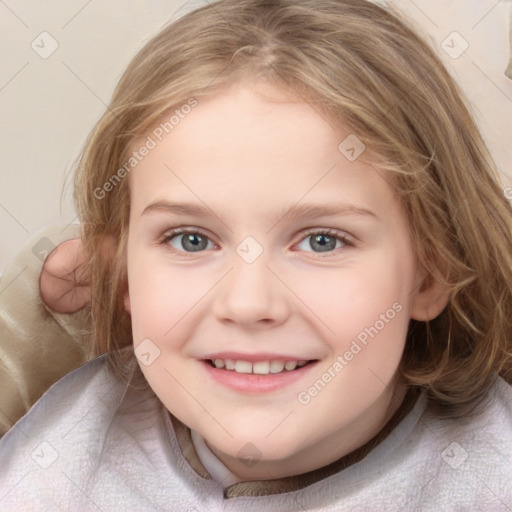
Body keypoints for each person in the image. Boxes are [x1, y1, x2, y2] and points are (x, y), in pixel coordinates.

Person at [1, 0, 511, 509]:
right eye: (190, 239)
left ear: (431, 275)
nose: (248, 303)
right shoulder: (50, 470)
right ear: (124, 274)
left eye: (322, 241)